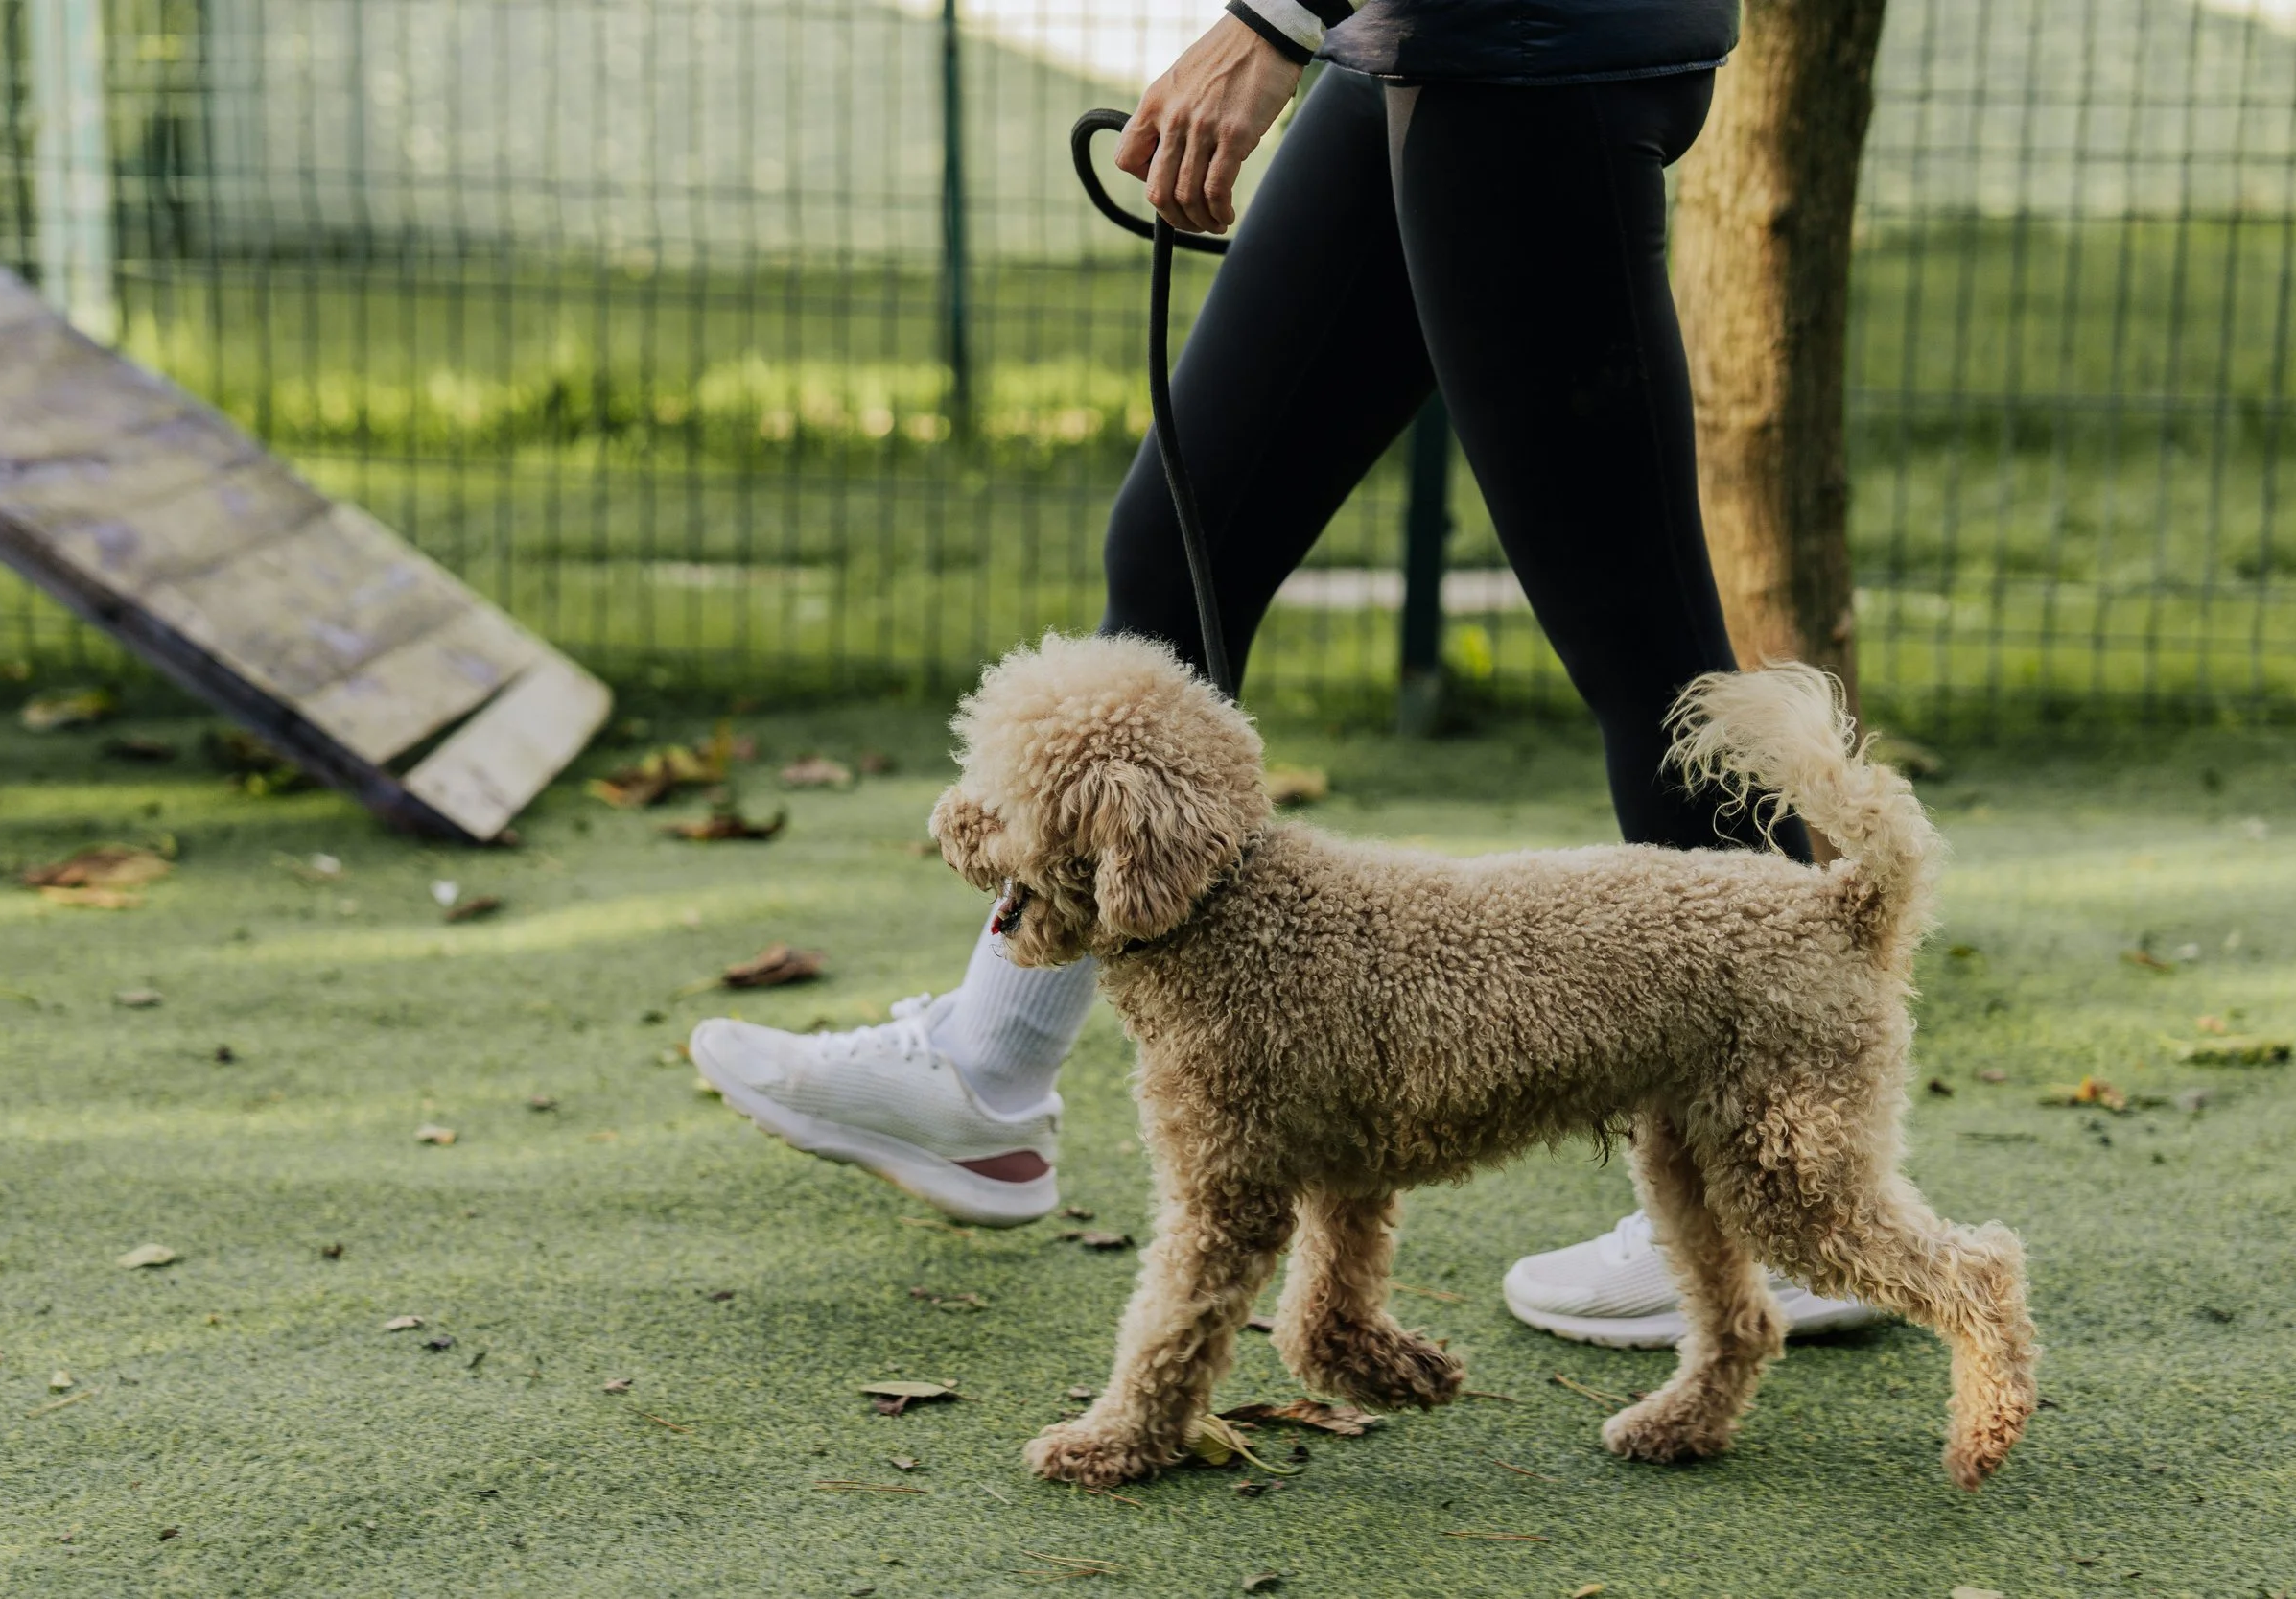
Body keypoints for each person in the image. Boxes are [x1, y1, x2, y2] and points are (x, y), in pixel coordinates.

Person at [691, 0, 1881, 1347]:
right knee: (1175, 551)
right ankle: (988, 1070)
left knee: (1645, 645)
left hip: (1538, 46)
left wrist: (1270, 21)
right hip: (1414, 39)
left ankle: (1793, 1191)